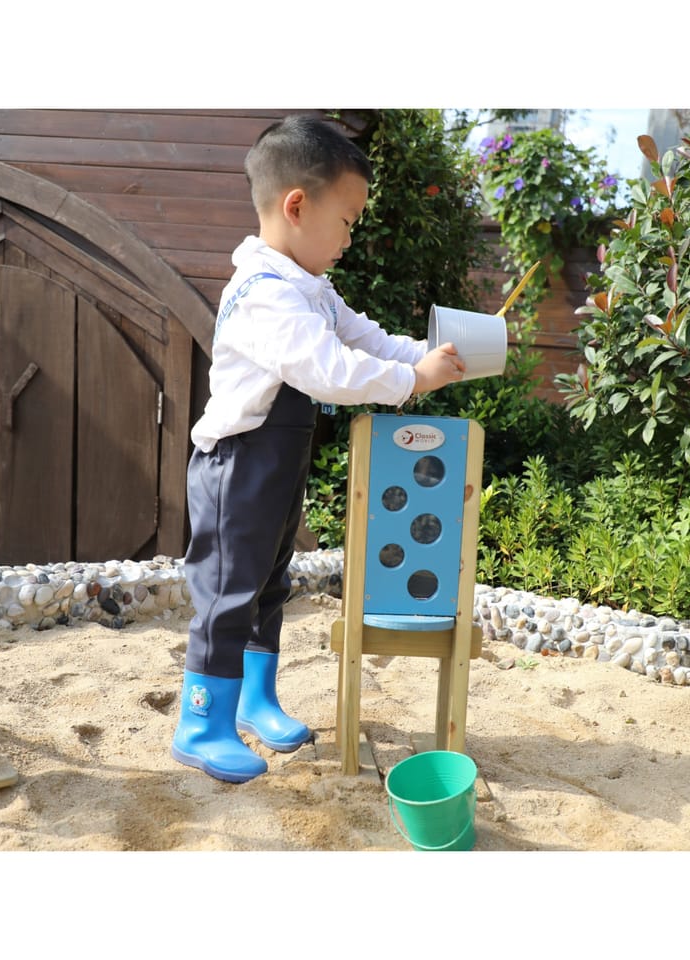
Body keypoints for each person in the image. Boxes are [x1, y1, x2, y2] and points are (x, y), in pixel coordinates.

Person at [171, 114, 466, 783]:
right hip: (237, 465)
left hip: (276, 464)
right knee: (228, 591)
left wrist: (428, 358)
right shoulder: (265, 295)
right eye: (347, 221)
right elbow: (327, 369)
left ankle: (253, 699)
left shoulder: (310, 289)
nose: (350, 238)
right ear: (297, 206)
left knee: (268, 583)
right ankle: (202, 722)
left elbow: (367, 340)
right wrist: (409, 382)